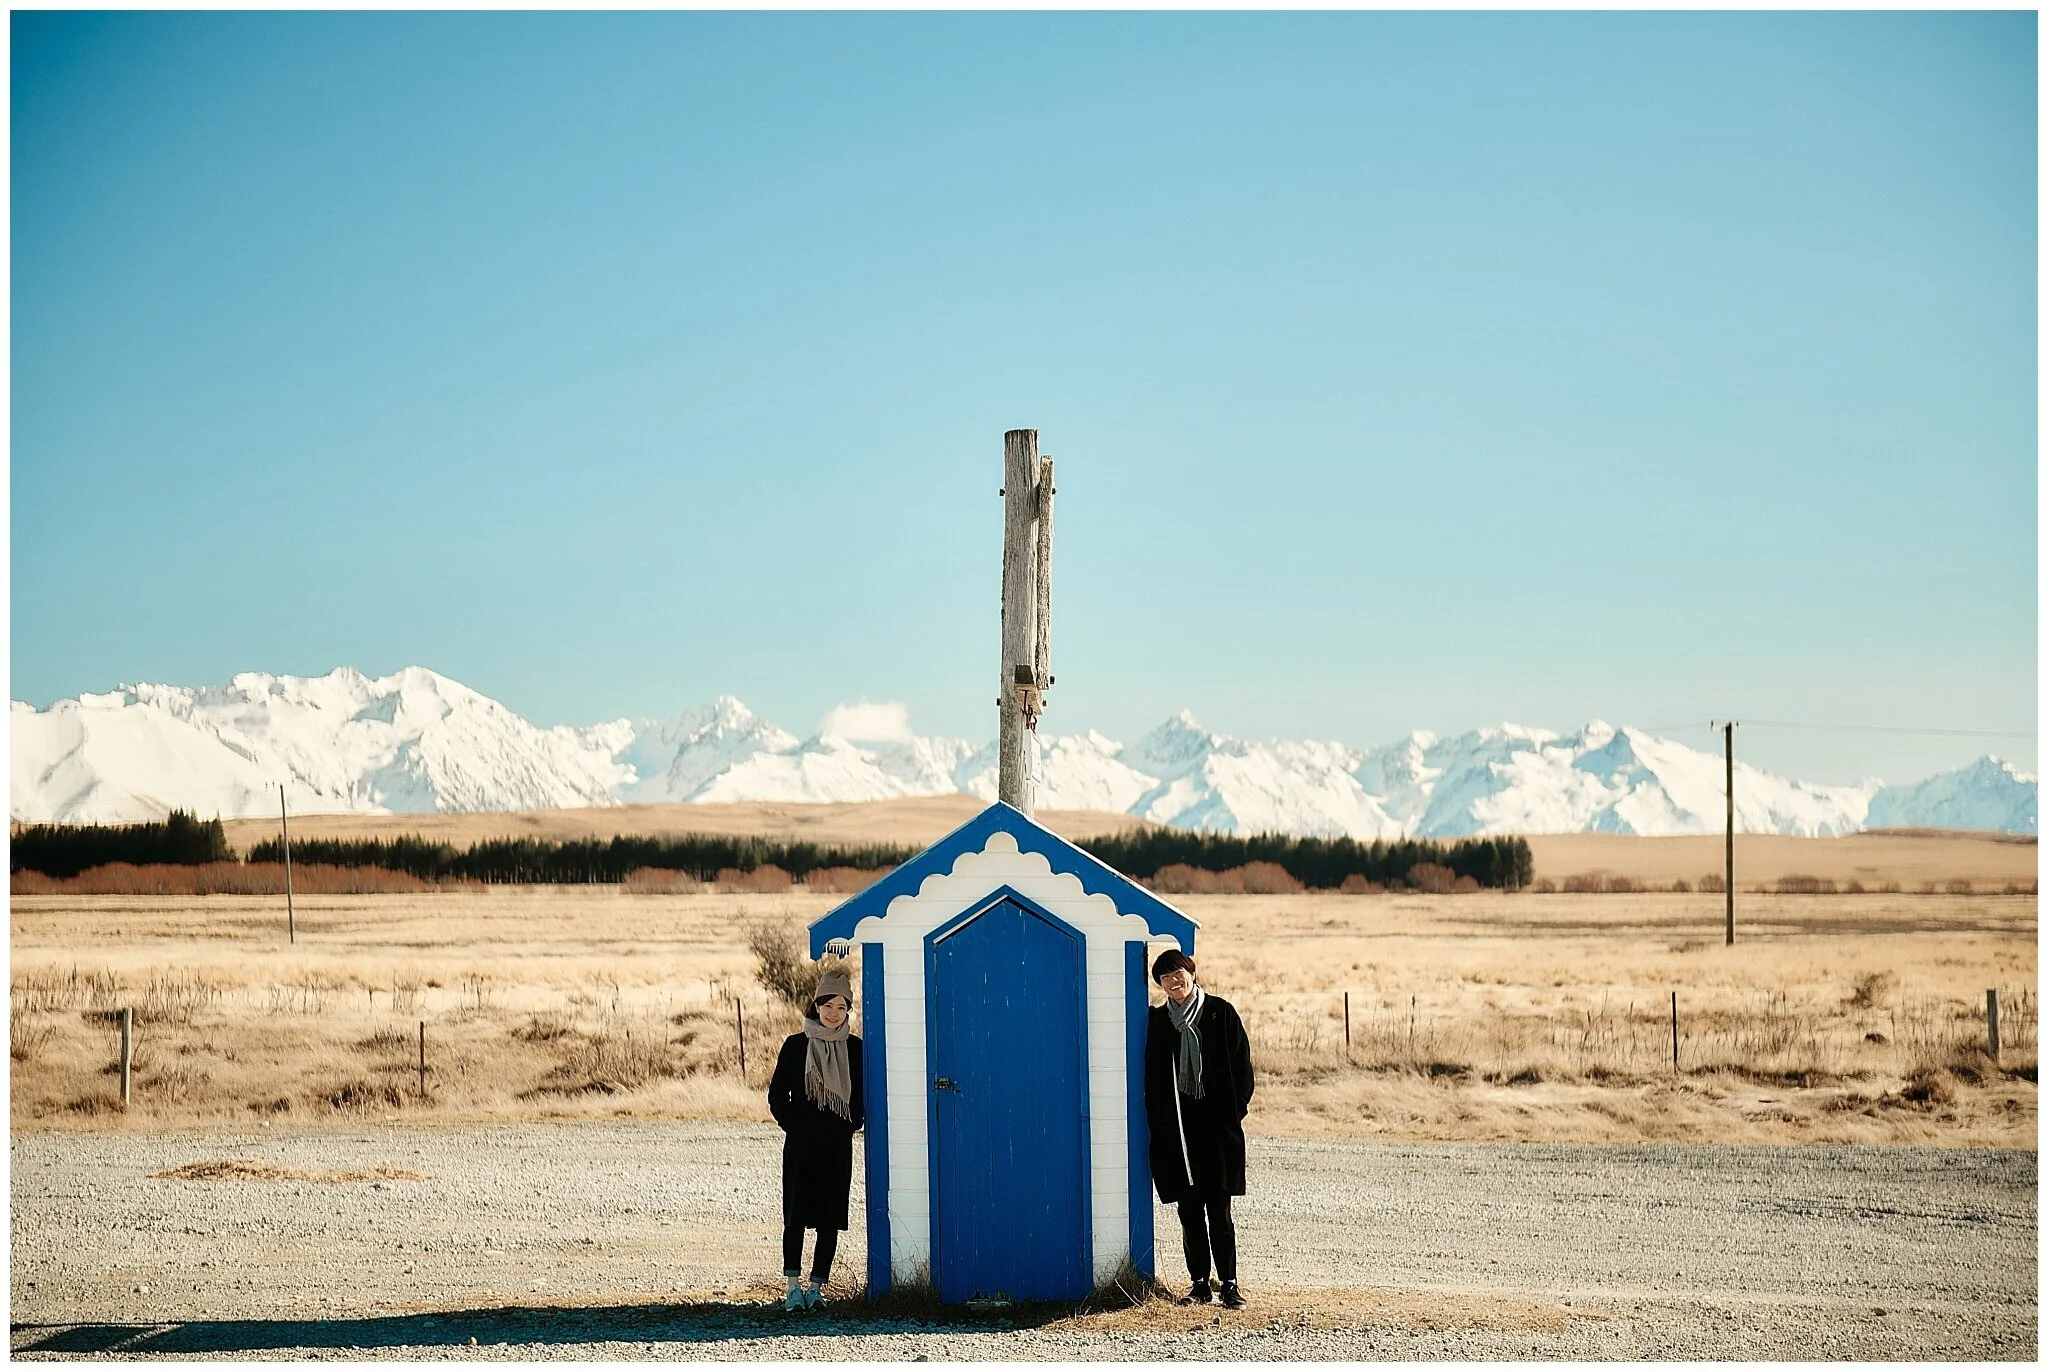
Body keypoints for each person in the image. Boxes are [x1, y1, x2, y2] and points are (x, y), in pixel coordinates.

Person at [1144, 947, 1254, 1308]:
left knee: (1219, 1213)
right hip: (1178, 1137)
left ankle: (1230, 1284)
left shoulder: (1220, 1013)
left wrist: (1233, 1113)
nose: (1174, 982)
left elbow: (1242, 1068)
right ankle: (1199, 1284)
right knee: (1189, 1213)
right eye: (1166, 978)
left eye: (1179, 974)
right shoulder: (1159, 1023)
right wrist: (1160, 1125)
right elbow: (1151, 1079)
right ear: (1159, 984)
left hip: (1217, 1135)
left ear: (1191, 972)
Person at [767, 967, 864, 1311]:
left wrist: (850, 1124)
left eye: (841, 1006)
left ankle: (816, 1289)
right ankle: (793, 1288)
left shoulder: (855, 1049)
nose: (833, 1013)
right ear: (816, 1005)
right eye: (828, 1005)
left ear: (848, 1009)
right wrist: (796, 1126)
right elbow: (778, 1095)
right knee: (795, 1216)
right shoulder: (795, 1045)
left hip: (837, 1147)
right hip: (802, 1147)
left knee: (829, 1219)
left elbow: (863, 1098)